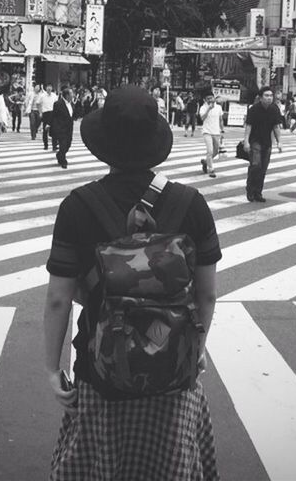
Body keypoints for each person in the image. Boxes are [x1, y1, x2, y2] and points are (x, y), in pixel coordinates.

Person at [43, 86, 221, 481]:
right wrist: (197, 346)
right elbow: (206, 294)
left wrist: (52, 368)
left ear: (103, 144)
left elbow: (59, 299)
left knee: (97, 464)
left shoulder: (78, 205)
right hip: (174, 373)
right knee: (171, 464)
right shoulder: (191, 204)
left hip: (101, 369)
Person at [242, 86, 283, 202]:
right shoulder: (254, 109)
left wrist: (279, 142)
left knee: (263, 169)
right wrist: (246, 141)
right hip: (255, 141)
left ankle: (258, 192)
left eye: (271, 96)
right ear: (260, 98)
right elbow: (248, 126)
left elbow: (276, 127)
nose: (269, 98)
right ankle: (250, 189)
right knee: (256, 165)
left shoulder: (274, 109)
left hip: (267, 142)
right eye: (266, 95)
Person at [198, 93, 223, 178]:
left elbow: (220, 119)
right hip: (207, 132)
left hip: (216, 132)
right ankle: (211, 169)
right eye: (208, 98)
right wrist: (208, 109)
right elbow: (202, 118)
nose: (210, 100)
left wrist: (222, 130)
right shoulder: (203, 108)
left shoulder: (219, 107)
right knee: (210, 151)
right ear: (205, 100)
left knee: (216, 151)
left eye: (211, 98)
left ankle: (206, 161)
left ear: (214, 98)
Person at [51, 86, 75, 169]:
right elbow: (54, 116)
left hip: (69, 128)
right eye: (72, 94)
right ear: (67, 95)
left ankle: (59, 155)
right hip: (61, 128)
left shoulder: (71, 103)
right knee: (63, 145)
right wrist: (53, 127)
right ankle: (63, 161)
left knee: (68, 144)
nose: (73, 95)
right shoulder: (58, 104)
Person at [40, 84, 59, 151]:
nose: (49, 90)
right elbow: (38, 103)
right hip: (45, 113)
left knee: (54, 130)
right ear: (46, 89)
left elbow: (57, 105)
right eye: (48, 88)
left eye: (50, 88)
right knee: (45, 130)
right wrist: (40, 112)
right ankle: (46, 145)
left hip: (53, 113)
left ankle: (54, 146)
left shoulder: (54, 96)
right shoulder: (42, 96)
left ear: (52, 89)